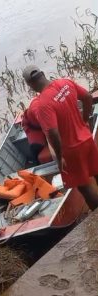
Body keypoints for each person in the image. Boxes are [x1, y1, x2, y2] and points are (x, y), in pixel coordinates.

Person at [22, 65, 98, 211]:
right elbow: (88, 97)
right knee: (96, 171)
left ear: (30, 84)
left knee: (84, 187)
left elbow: (53, 133)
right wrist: (84, 120)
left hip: (71, 151)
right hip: (87, 139)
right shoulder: (65, 83)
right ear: (43, 74)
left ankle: (96, 217)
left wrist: (59, 155)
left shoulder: (43, 103)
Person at [22, 99, 47, 165]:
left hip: (43, 124)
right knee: (36, 148)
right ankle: (38, 166)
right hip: (34, 128)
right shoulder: (36, 107)